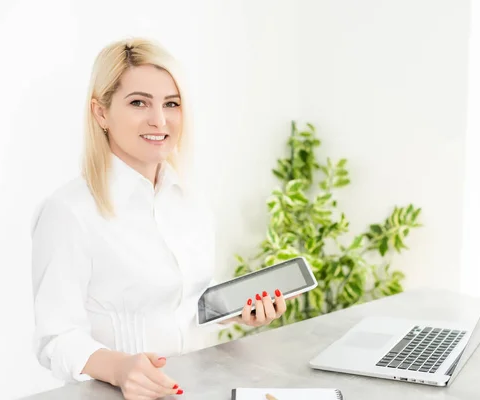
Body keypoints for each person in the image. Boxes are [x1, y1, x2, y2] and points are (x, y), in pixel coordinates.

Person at [30, 37, 290, 400]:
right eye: (139, 103)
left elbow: (186, 298)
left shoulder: (191, 199)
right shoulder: (68, 212)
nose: (160, 120)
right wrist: (120, 368)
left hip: (198, 387)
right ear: (100, 112)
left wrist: (235, 312)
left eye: (172, 104)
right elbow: (55, 339)